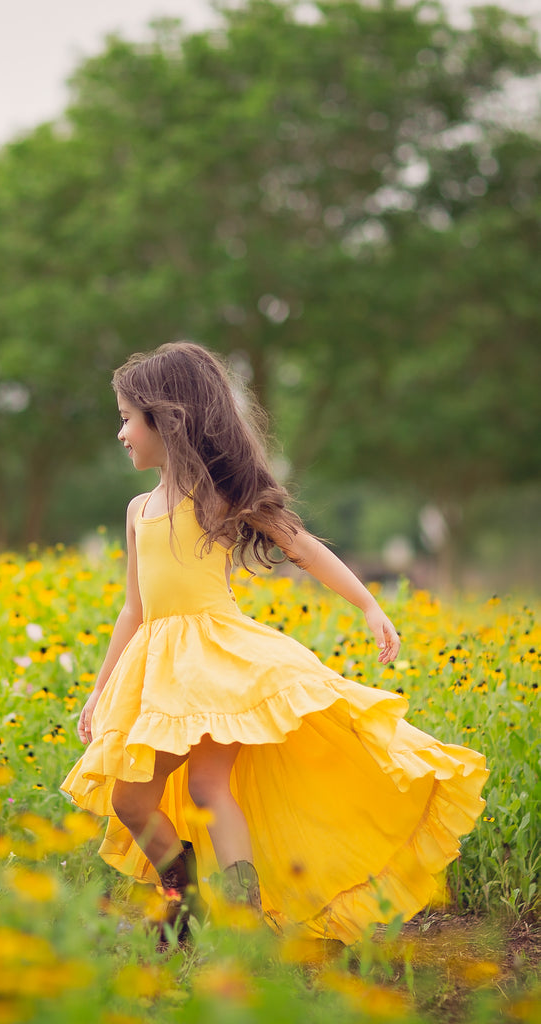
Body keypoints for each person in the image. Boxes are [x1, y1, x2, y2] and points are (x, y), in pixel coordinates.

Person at [61, 341, 487, 944]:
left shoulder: (219, 495)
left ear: (167, 418)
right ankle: (187, 895)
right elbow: (134, 608)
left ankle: (239, 923)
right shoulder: (138, 510)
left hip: (219, 662)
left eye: (129, 418)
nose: (123, 433)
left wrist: (368, 604)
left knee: (209, 787)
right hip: (157, 667)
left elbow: (302, 546)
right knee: (132, 801)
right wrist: (101, 689)